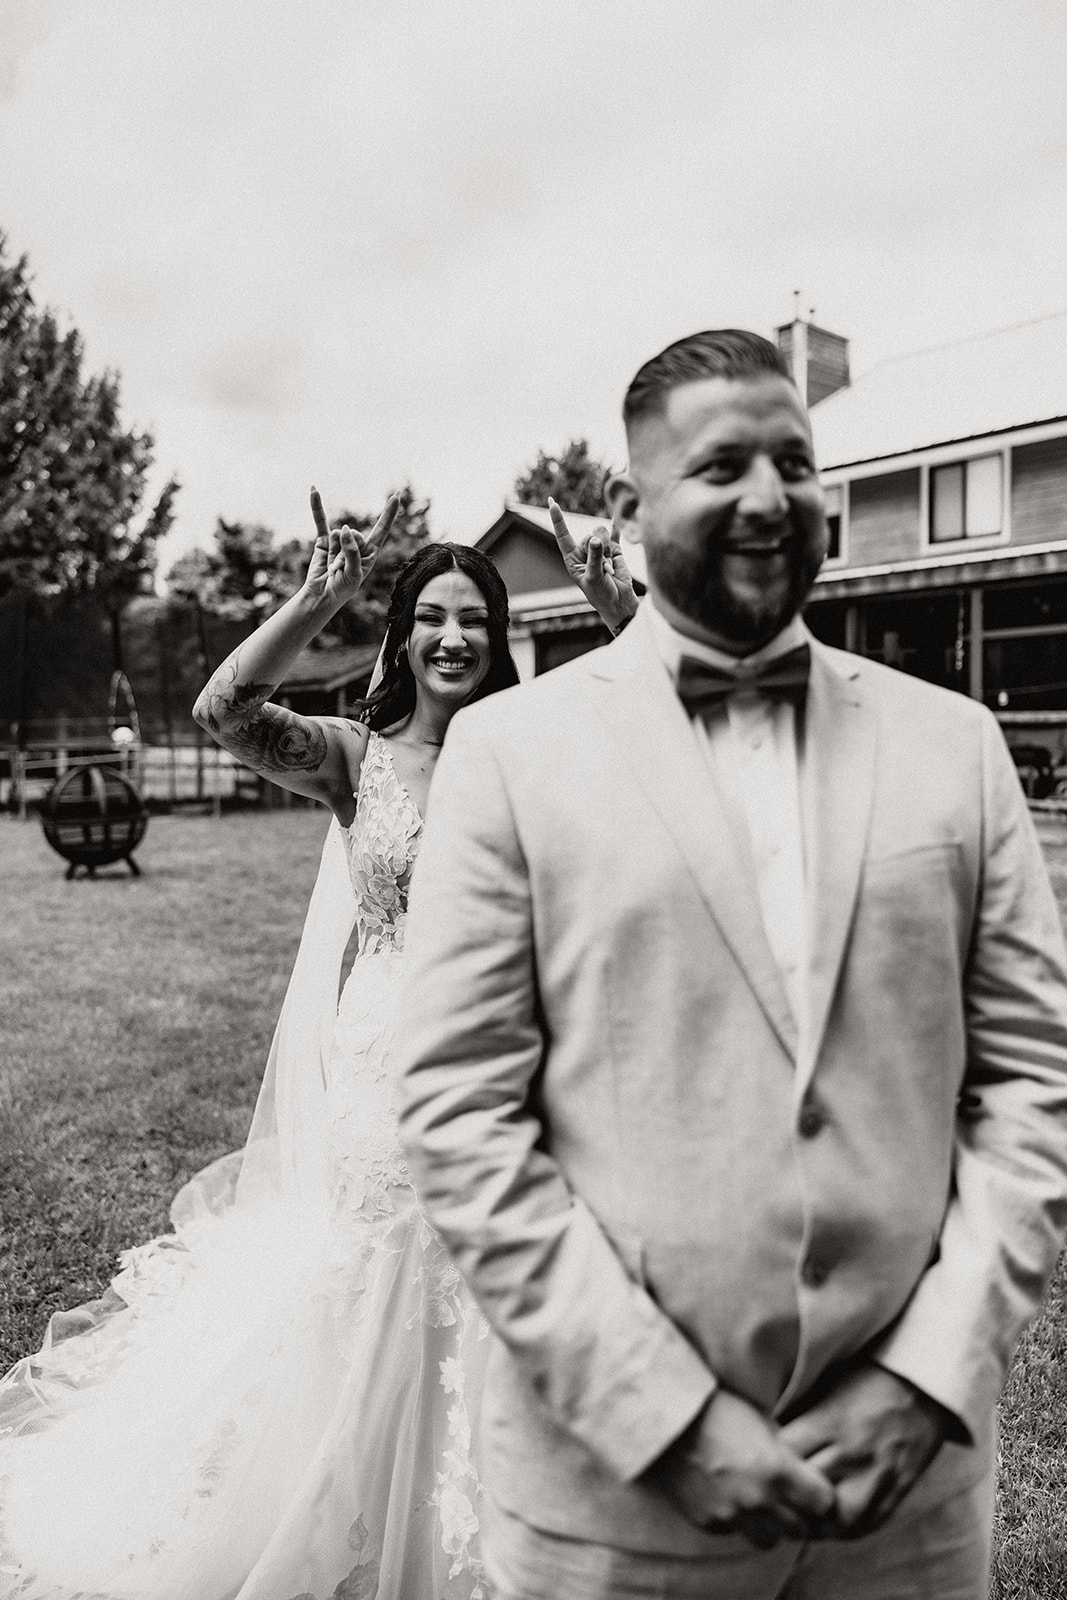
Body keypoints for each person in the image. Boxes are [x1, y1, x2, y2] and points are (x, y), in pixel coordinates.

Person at [395, 328, 1067, 1600]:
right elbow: (459, 1111)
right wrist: (663, 1416)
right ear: (622, 504)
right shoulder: (507, 752)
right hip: (615, 1500)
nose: (768, 496)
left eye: (795, 462)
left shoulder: (957, 745)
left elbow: (1031, 1081)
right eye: (719, 465)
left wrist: (928, 1374)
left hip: (908, 1508)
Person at [0, 489, 628, 1600]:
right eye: (430, 614)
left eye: (473, 618)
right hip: (388, 1067)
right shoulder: (353, 756)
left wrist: (614, 606)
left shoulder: (541, 747)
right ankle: (352, 1505)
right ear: (402, 634)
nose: (450, 635)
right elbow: (223, 704)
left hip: (512, 1058)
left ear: (497, 638)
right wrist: (313, 597)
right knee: (385, 1279)